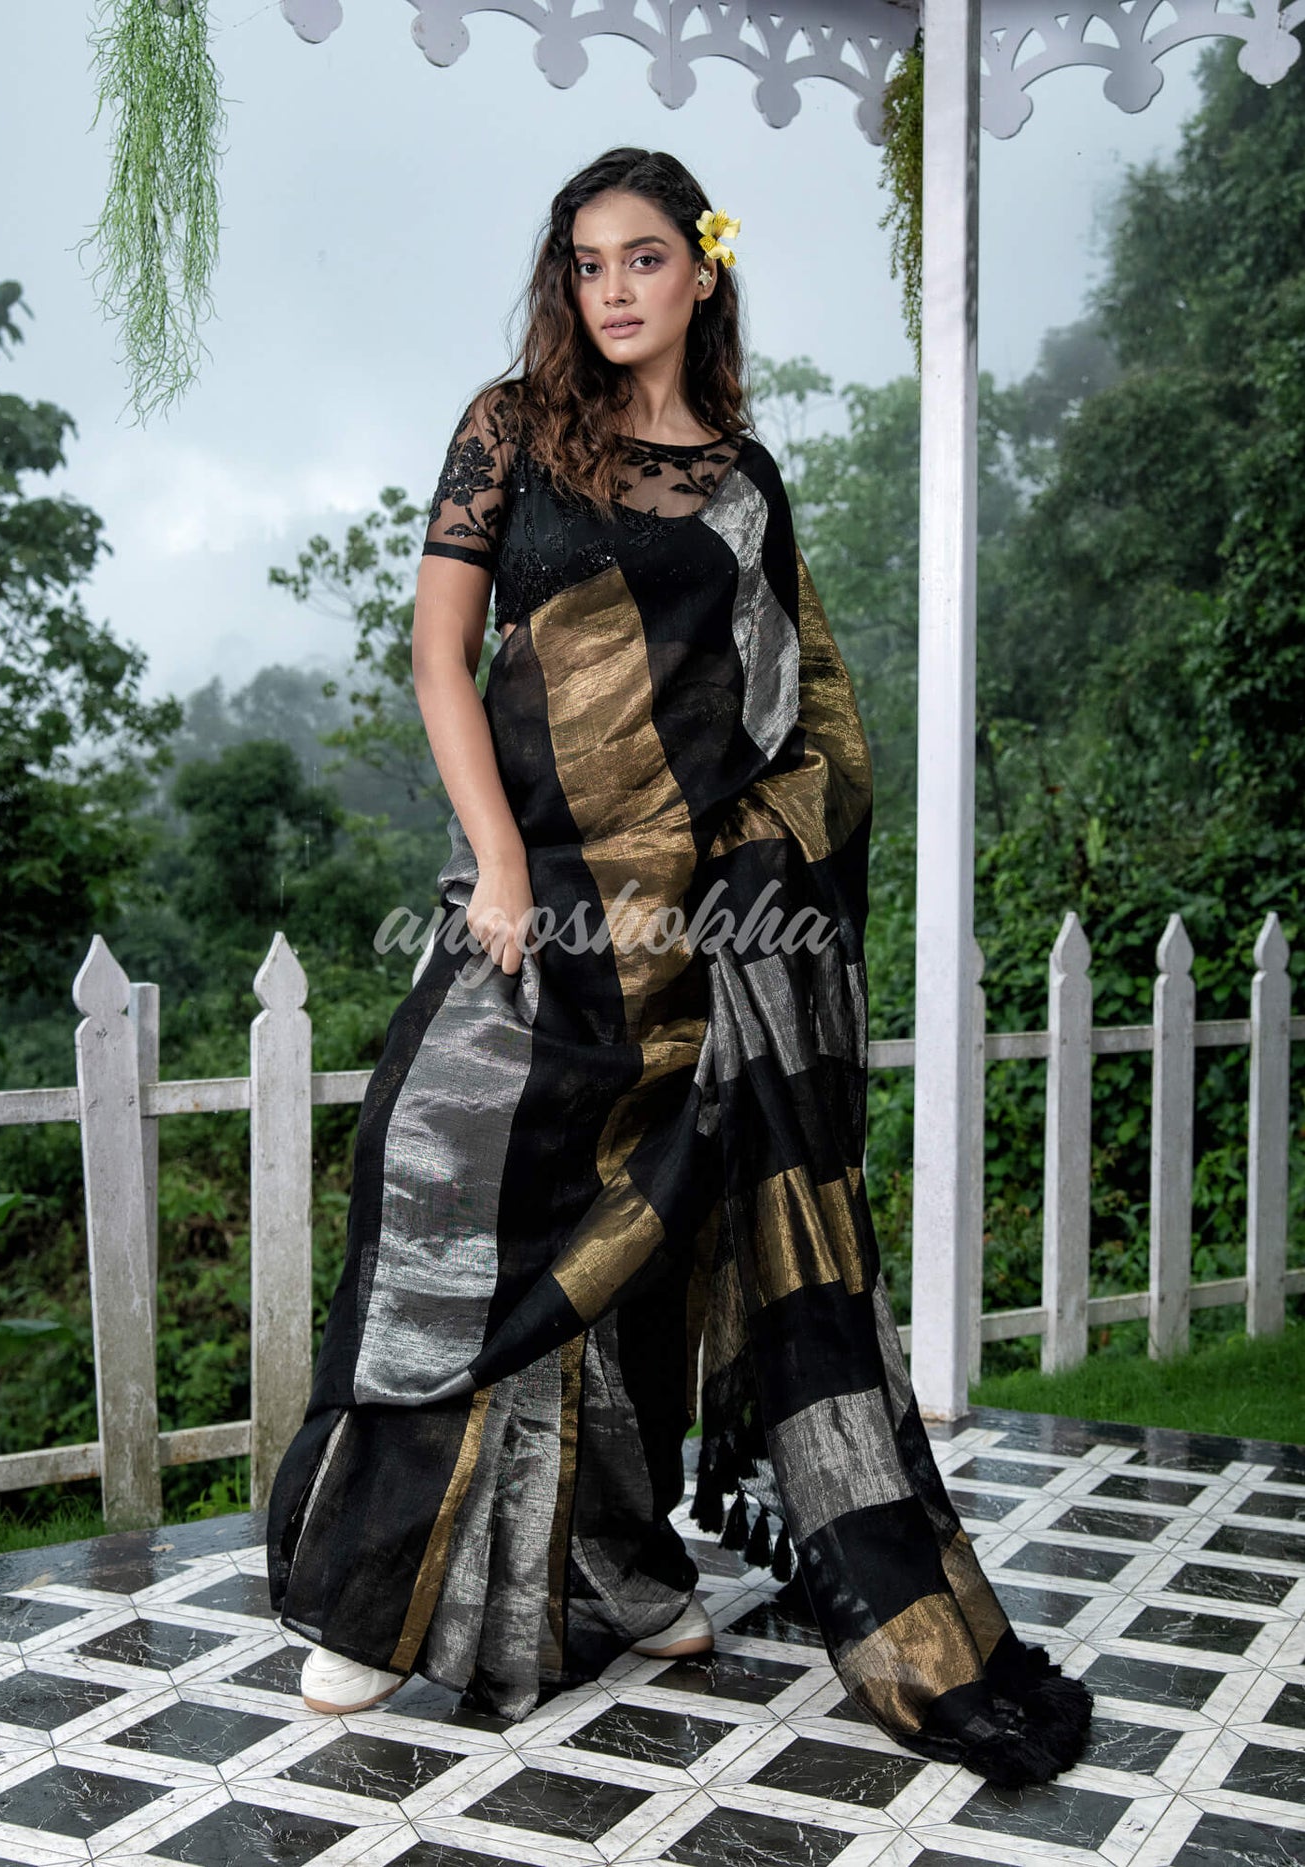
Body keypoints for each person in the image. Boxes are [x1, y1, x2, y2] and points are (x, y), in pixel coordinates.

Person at [265, 146, 1093, 1786]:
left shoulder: (739, 484)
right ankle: (375, 1602)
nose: (614, 290)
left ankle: (629, 1576)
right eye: (587, 264)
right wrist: (503, 864)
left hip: (703, 928)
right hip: (535, 901)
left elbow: (804, 719)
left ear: (702, 272)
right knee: (441, 1194)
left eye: (643, 258)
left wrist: (758, 865)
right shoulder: (510, 428)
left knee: (642, 1245)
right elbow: (438, 655)